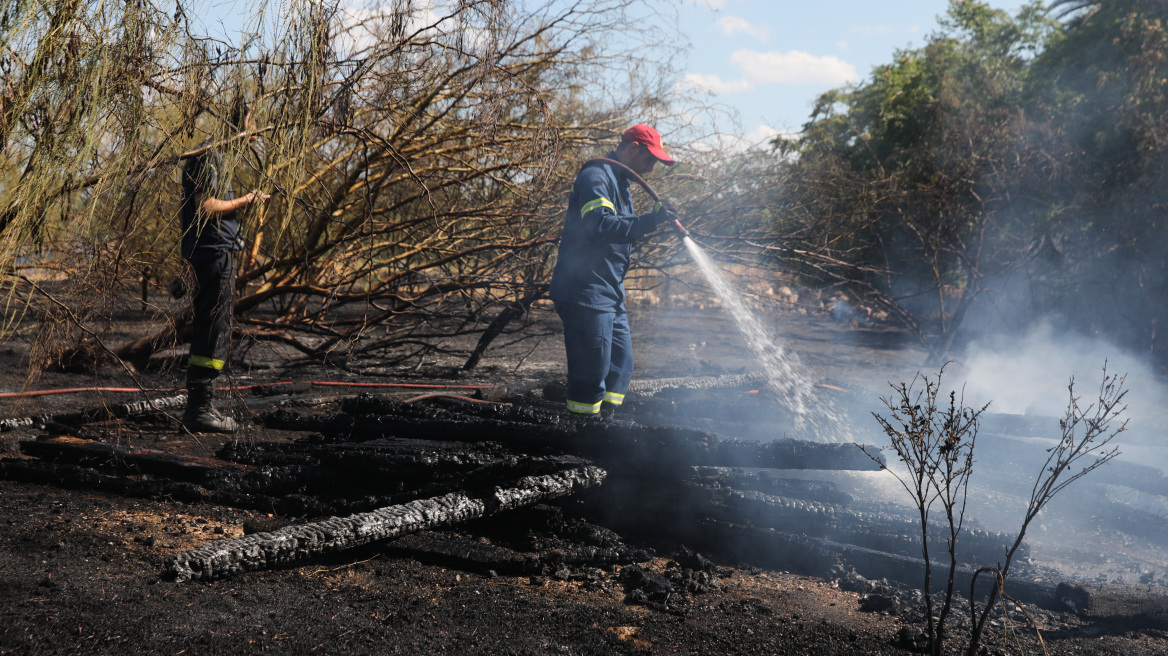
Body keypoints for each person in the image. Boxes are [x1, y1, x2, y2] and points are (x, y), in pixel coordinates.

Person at [549, 124, 678, 416]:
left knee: (620, 365)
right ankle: (581, 437)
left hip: (609, 292)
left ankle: (605, 429)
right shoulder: (596, 176)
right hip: (585, 291)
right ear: (633, 148)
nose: (652, 167)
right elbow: (601, 225)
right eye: (650, 159)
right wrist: (650, 221)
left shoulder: (620, 182)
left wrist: (651, 221)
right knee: (590, 372)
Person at [178, 109, 269, 433]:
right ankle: (200, 409)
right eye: (253, 132)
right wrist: (247, 199)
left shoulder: (216, 159)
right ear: (238, 128)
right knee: (212, 331)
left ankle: (201, 406)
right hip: (212, 255)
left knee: (213, 329)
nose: (256, 140)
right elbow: (206, 206)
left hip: (214, 254)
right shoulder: (210, 158)